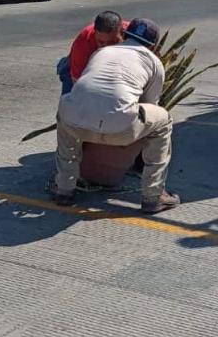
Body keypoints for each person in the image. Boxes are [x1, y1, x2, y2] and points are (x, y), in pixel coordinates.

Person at [52, 18, 180, 214]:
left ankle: (63, 189)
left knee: (68, 110)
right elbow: (149, 104)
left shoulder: (101, 52)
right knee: (163, 119)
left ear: (124, 35)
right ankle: (153, 196)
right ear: (153, 46)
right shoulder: (154, 62)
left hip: (76, 124)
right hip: (121, 129)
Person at [56, 11, 128, 95]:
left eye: (113, 41)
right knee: (71, 102)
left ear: (122, 32)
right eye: (101, 42)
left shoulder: (133, 34)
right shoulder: (83, 43)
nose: (107, 47)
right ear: (95, 32)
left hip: (117, 67)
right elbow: (78, 84)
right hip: (80, 68)